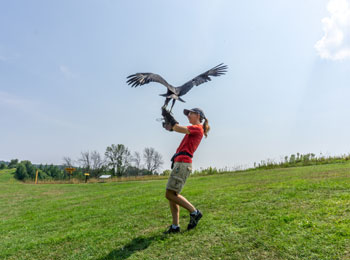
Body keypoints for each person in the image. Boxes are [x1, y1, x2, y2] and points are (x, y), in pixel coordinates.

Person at [161, 107, 210, 234]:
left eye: (190, 113)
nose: (188, 115)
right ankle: (175, 226)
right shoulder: (194, 129)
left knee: (169, 194)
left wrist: (170, 117)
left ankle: (194, 212)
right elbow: (176, 128)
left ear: (198, 115)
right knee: (172, 195)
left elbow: (177, 128)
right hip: (181, 163)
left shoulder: (197, 127)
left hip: (183, 163)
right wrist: (170, 125)